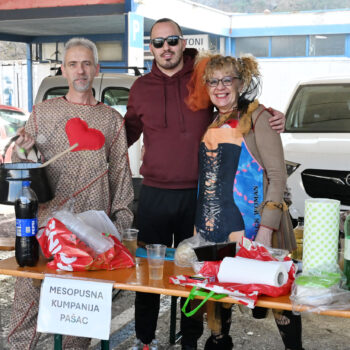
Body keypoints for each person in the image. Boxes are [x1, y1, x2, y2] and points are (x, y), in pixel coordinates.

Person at [125, 18, 286, 350]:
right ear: (150, 48)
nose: (165, 48)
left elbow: (233, 103)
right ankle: (144, 339)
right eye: (157, 43)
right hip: (154, 192)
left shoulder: (201, 77)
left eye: (172, 41)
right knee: (147, 273)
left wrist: (268, 114)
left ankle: (191, 340)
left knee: (198, 274)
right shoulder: (140, 87)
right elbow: (125, 133)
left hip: (201, 199)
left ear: (183, 43)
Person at [7, 37, 133, 350]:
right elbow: (25, 167)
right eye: (74, 64)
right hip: (44, 228)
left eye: (87, 63)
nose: (80, 70)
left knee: (79, 317)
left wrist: (120, 226)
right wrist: (21, 149)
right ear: (64, 69)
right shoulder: (42, 113)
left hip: (90, 234)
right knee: (26, 306)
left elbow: (121, 176)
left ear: (96, 69)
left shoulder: (111, 121)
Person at [186, 53, 302, 350]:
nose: (220, 87)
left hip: (261, 228)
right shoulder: (214, 120)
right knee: (219, 300)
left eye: (227, 80)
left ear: (241, 83)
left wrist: (266, 228)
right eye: (213, 81)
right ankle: (220, 342)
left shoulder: (260, 118)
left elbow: (277, 177)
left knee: (278, 300)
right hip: (220, 229)